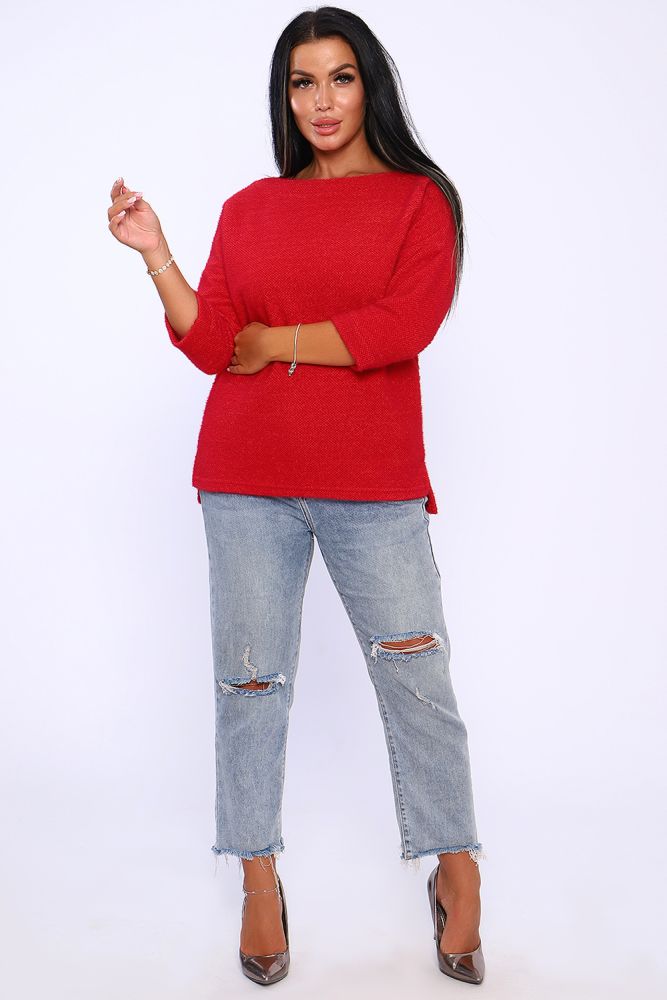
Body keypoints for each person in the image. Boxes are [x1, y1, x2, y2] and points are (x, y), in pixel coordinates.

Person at [108, 5, 486, 987]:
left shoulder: (418, 202)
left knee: (415, 675)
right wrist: (157, 254)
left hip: (372, 481)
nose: (321, 101)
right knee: (249, 687)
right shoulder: (250, 209)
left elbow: (401, 325)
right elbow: (211, 344)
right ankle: (258, 879)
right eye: (302, 82)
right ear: (285, 97)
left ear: (370, 87)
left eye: (340, 78)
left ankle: (454, 865)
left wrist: (275, 341)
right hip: (245, 478)